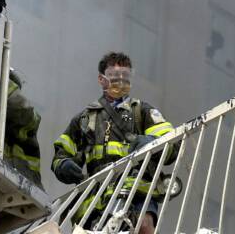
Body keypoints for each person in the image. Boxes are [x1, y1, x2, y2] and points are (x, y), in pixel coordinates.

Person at [52, 52, 177, 234]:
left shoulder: (142, 112)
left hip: (137, 191)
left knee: (144, 225)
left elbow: (171, 143)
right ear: (101, 79)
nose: (120, 81)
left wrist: (151, 142)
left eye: (125, 76)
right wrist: (64, 165)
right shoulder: (85, 119)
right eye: (114, 76)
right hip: (96, 199)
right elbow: (61, 153)